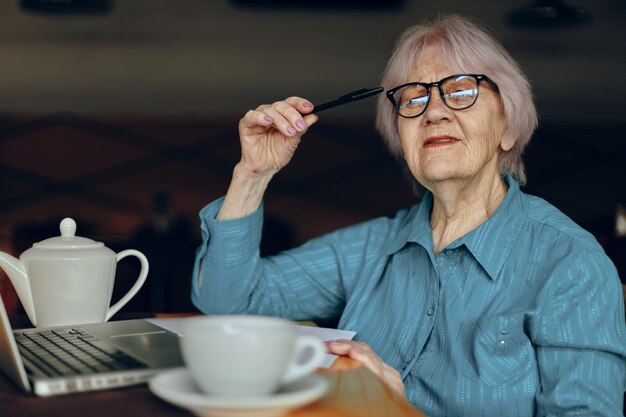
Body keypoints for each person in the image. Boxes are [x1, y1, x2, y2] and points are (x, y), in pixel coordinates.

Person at [191, 14, 626, 416]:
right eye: (413, 98)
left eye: (461, 91)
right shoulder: (372, 247)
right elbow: (231, 302)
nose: (434, 111)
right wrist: (252, 173)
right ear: (400, 137)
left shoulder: (570, 262)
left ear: (509, 126)